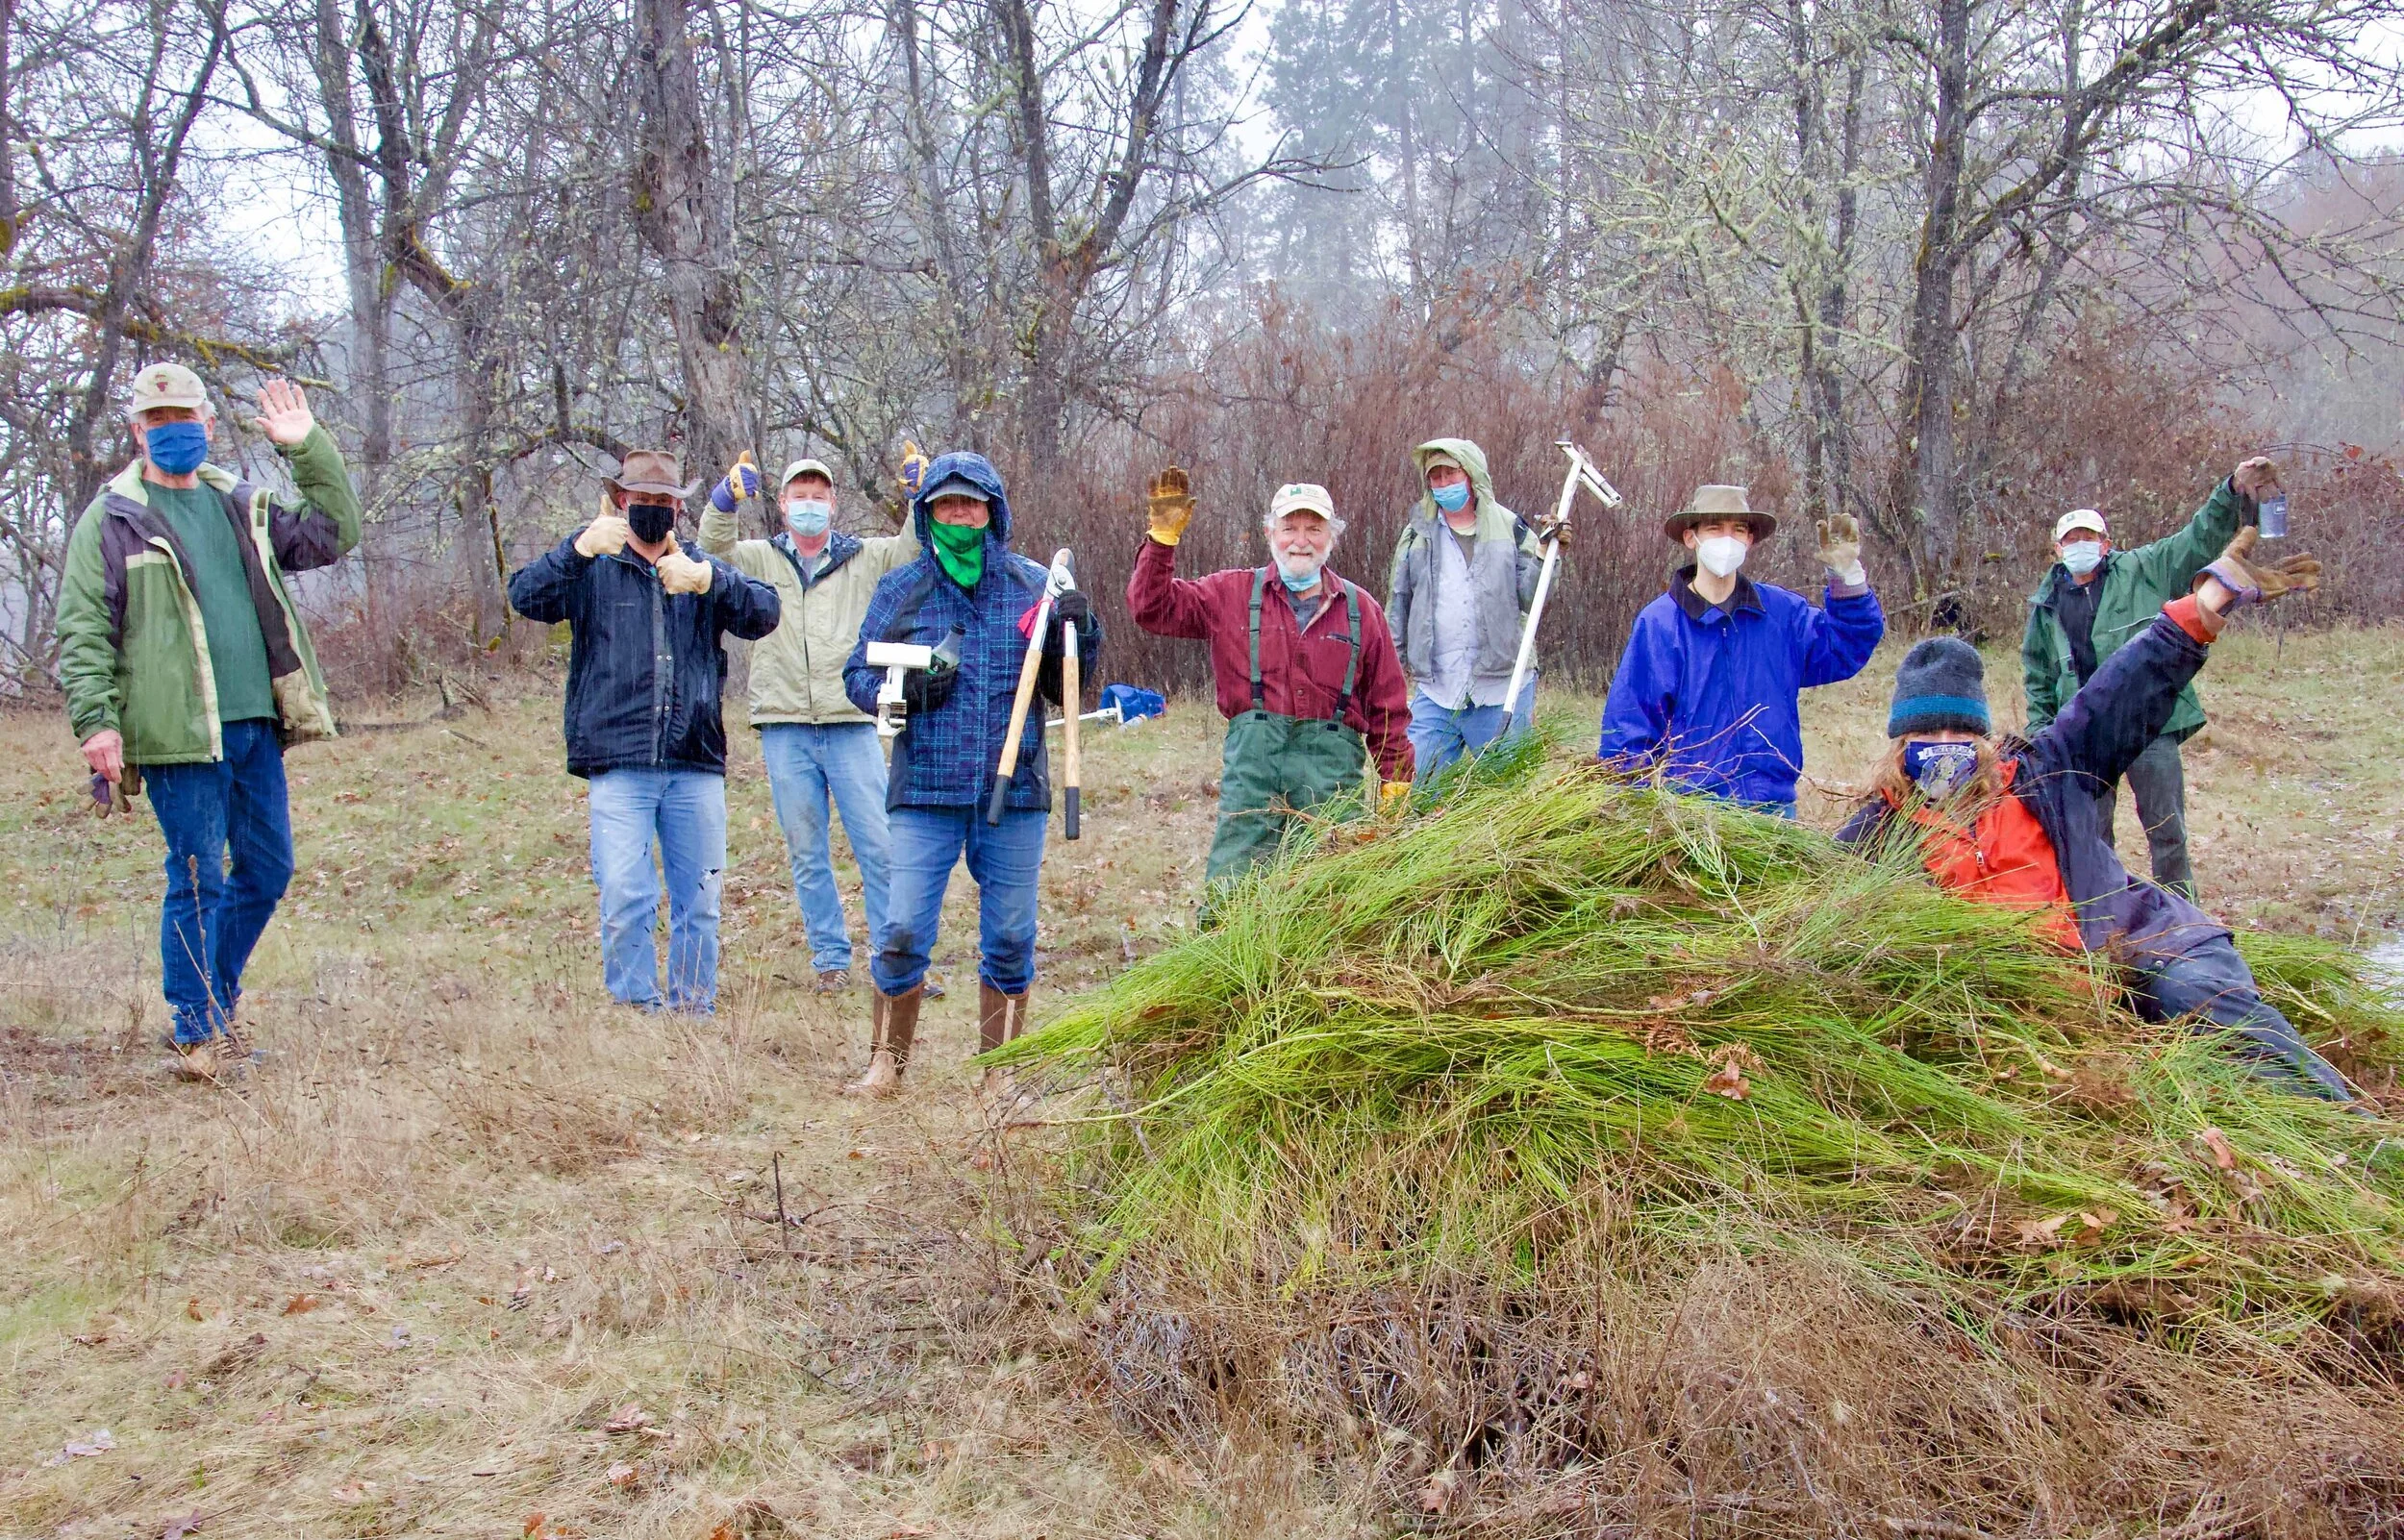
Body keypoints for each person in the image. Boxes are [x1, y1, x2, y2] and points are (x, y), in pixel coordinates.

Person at [1840, 529, 2347, 1099]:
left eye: (1960, 730)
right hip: (2029, 1002)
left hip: (2133, 944)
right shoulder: (1876, 836)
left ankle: (2349, 1126)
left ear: (1983, 738)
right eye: (1927, 733)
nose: (1946, 743)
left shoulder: (2046, 772)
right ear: (1899, 743)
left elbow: (2119, 692)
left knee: (2197, 999)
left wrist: (2202, 611)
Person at [56, 363, 362, 1080]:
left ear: (209, 425)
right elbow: (83, 629)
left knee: (267, 868)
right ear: (137, 431)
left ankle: (211, 1005)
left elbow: (332, 533)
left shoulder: (239, 504)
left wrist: (305, 445)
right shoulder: (112, 518)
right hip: (176, 733)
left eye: (184, 418)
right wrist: (96, 722)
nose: (173, 432)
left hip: (255, 722)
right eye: (158, 422)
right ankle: (197, 1032)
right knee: (198, 877)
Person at [839, 452, 1100, 1097]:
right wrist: (900, 694)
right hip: (924, 788)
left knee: (1010, 936)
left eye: (972, 505)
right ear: (927, 514)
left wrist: (1082, 629)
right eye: (947, 506)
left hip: (1014, 790)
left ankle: (998, 1070)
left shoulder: (1033, 586)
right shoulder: (902, 591)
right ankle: (887, 1061)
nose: (961, 516)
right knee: (901, 930)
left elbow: (1072, 685)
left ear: (994, 512)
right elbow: (857, 675)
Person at [507, 449, 781, 1014]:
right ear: (621, 501)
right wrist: (576, 549)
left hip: (694, 757)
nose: (653, 510)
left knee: (699, 901)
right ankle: (635, 1009)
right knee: (626, 896)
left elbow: (765, 613)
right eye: (642, 500)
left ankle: (691, 1011)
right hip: (617, 758)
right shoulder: (591, 567)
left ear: (678, 508)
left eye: (664, 501)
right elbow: (524, 597)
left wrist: (710, 581)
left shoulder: (701, 568)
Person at [1127, 469, 1414, 894]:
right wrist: (1162, 541)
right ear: (1269, 533)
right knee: (1232, 897)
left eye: (1314, 528)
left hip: (1330, 792)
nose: (1301, 540)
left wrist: (1396, 786)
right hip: (1251, 787)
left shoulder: (1363, 611)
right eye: (1289, 527)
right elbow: (1152, 608)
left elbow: (1388, 712)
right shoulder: (1230, 594)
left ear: (1332, 537)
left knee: (1331, 902)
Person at [698, 451, 919, 993]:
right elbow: (710, 551)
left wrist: (920, 494)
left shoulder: (864, 556)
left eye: (819, 496)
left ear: (834, 503)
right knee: (806, 849)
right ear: (781, 504)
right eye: (800, 496)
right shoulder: (761, 559)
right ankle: (830, 960)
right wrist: (724, 498)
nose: (809, 505)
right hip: (784, 723)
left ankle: (895, 960)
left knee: (879, 845)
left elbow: (913, 551)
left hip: (850, 720)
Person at [2022, 460, 2277, 899]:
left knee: (2167, 831)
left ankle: (2184, 920)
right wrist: (2040, 737)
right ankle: (2105, 917)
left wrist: (2233, 488)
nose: (2080, 545)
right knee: (2091, 836)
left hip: (2149, 722)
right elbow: (2038, 676)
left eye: (2089, 537)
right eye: (2071, 539)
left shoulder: (2145, 568)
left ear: (2107, 544)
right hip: (2084, 733)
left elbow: (2198, 538)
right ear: (2057, 549)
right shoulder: (2046, 603)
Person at [1597, 485, 1884, 814]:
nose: (1727, 539)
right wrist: (1628, 809)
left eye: (1739, 530)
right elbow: (1630, 724)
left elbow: (1845, 644)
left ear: (1750, 540)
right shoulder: (1661, 624)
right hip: (1693, 815)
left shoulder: (1781, 614)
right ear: (1691, 538)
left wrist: (1847, 575)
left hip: (1774, 811)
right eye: (1715, 528)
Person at [1386, 438, 1559, 784]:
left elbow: (1533, 597)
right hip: (1437, 689)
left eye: (1451, 475)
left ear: (1472, 476)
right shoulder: (1417, 534)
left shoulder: (1511, 527)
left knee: (1505, 796)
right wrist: (1390, 664)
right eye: (1435, 478)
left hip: (1501, 687)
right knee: (1417, 789)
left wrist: (1544, 553)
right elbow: (1399, 598)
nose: (1443, 485)